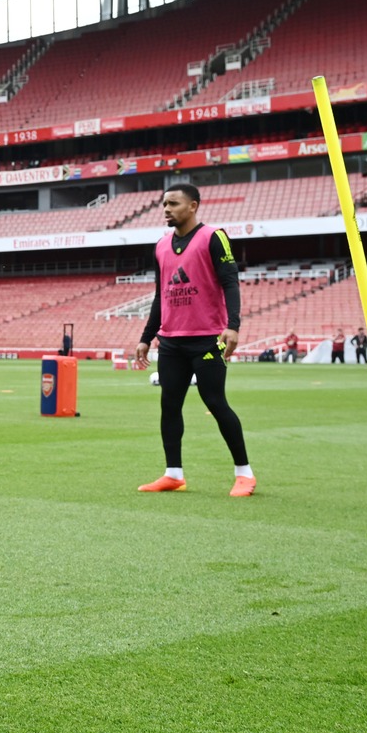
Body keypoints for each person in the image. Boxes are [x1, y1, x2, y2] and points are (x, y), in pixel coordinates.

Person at [132, 183, 254, 497]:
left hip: (207, 339)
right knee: (169, 406)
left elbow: (230, 282)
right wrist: (147, 337)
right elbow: (161, 295)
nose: (166, 209)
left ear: (193, 206)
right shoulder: (160, 246)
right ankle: (173, 474)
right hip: (171, 341)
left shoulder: (213, 237)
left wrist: (233, 326)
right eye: (163, 204)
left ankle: (244, 474)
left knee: (215, 401)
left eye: (173, 203)